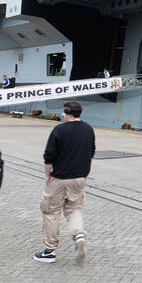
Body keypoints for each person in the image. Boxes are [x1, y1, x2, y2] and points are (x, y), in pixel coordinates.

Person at [34, 101, 94, 263]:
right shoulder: (88, 129)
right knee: (74, 209)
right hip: (79, 178)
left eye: (63, 112)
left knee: (51, 212)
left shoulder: (59, 129)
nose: (61, 115)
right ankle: (79, 235)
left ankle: (49, 251)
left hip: (59, 178)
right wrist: (85, 175)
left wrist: (47, 175)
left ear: (68, 112)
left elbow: (49, 155)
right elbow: (91, 152)